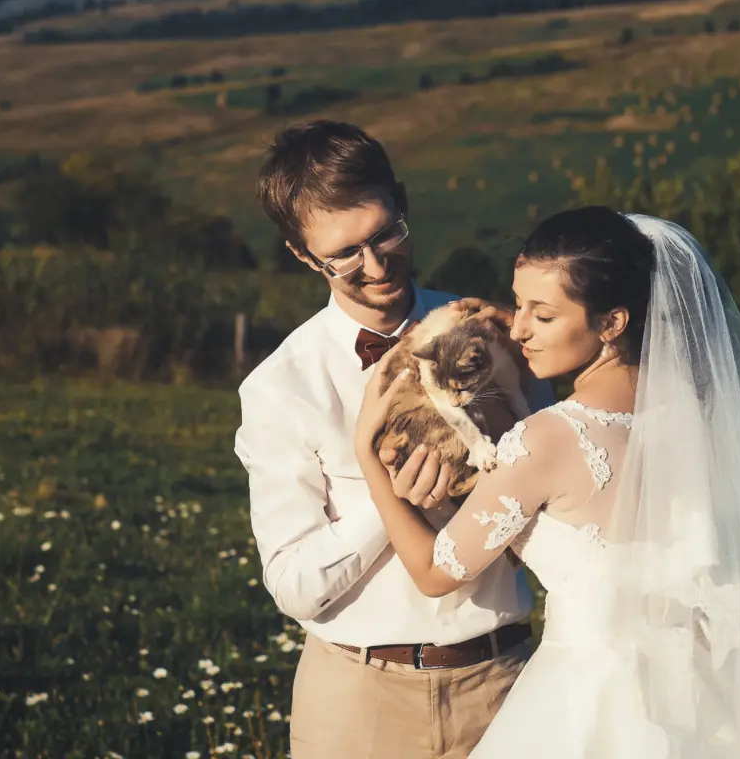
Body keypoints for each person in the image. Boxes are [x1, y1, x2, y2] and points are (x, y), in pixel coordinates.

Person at [355, 206, 740, 757]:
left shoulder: (548, 440)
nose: (517, 327)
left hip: (590, 702)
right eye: (517, 303)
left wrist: (365, 452)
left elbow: (435, 572)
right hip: (713, 700)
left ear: (612, 322)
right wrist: (543, 321)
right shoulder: (703, 413)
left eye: (541, 316)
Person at [234, 120, 554, 759]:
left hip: (508, 685)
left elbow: (560, 500)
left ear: (403, 203)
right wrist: (387, 502)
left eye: (386, 234)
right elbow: (294, 584)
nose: (375, 266)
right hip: (356, 703)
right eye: (344, 253)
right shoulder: (279, 388)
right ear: (303, 255)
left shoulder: (490, 332)